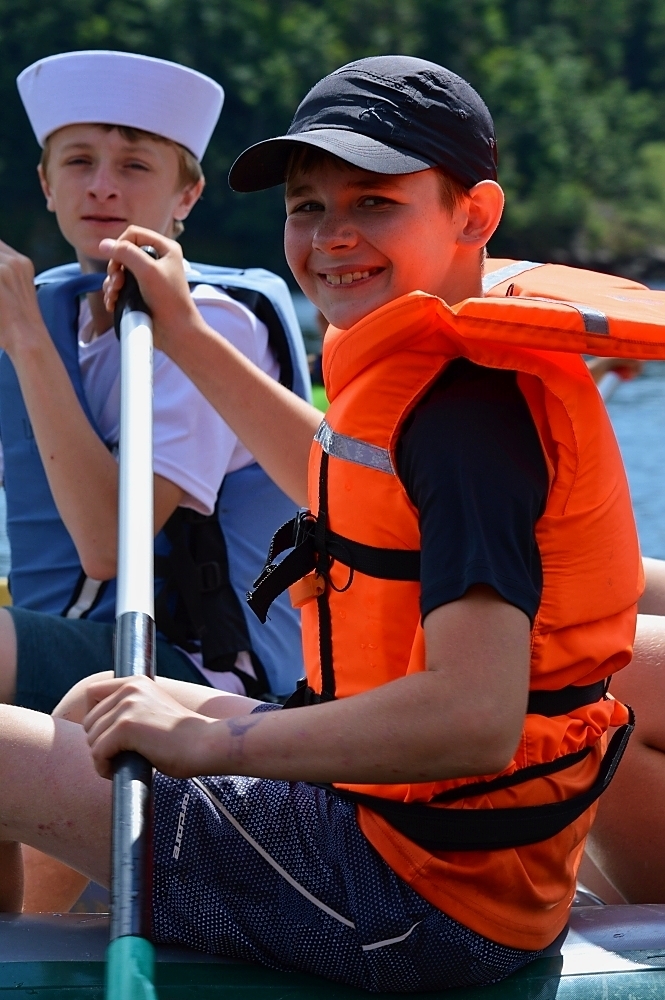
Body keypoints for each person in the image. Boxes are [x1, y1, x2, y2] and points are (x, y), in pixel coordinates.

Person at [0, 56, 644, 992]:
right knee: (97, 700)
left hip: (414, 903)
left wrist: (214, 745)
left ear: (473, 214)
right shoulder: (436, 375)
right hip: (436, 853)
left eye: (374, 203)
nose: (333, 235)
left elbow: (474, 720)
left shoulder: (470, 419)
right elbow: (337, 478)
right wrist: (184, 332)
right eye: (307, 207)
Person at [0, 50, 307, 718]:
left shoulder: (211, 324)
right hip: (82, 637)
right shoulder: (49, 314)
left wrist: (23, 337)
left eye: (135, 166)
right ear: (47, 184)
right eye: (78, 162)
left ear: (186, 195)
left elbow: (111, 547)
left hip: (201, 670)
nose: (102, 187)